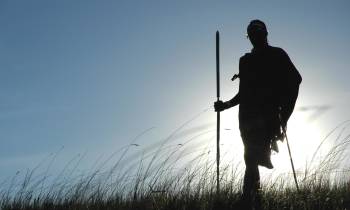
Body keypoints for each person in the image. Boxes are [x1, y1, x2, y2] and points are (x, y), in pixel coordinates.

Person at [214, 19, 302, 209]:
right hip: (246, 117)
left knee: (252, 158)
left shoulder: (277, 55)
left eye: (258, 32)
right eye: (252, 34)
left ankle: (249, 200)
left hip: (268, 115)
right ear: (249, 37)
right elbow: (243, 93)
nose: (255, 37)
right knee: (250, 158)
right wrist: (225, 105)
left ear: (265, 34)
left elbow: (295, 80)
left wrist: (284, 115)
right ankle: (254, 200)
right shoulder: (245, 61)